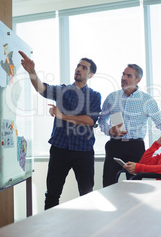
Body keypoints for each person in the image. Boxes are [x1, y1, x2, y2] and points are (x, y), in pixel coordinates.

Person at [19, 51, 101, 209]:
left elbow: (90, 120)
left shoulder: (95, 96)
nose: (79, 69)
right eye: (78, 65)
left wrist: (62, 115)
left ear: (90, 75)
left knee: (87, 194)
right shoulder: (62, 90)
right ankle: (49, 231)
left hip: (83, 151)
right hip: (59, 149)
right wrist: (32, 72)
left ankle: (88, 229)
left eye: (84, 67)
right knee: (52, 194)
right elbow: (41, 88)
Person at [98, 64, 161, 187]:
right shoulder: (112, 97)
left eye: (128, 75)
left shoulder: (146, 100)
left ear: (138, 80)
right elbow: (102, 120)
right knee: (108, 185)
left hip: (135, 148)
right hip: (114, 146)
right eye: (123, 74)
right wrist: (110, 131)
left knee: (135, 187)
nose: (124, 78)